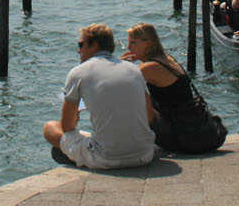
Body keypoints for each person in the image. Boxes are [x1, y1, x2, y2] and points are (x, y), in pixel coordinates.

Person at [42, 23, 156, 170]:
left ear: (94, 45)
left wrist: (76, 110)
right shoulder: (134, 70)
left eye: (81, 44)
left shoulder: (78, 73)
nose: (78, 50)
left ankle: (81, 157)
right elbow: (149, 117)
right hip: (145, 154)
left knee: (50, 128)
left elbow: (67, 127)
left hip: (106, 158)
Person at [123, 22, 226, 153]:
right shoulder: (167, 59)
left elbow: (120, 85)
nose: (128, 47)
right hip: (191, 124)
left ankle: (126, 146)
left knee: (133, 99)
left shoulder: (150, 67)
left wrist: (122, 66)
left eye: (133, 43)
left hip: (181, 134)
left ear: (148, 43)